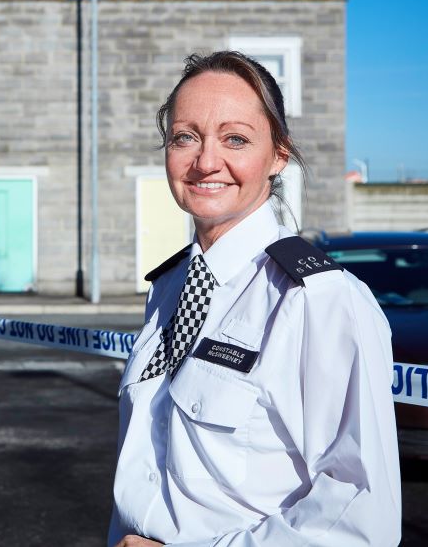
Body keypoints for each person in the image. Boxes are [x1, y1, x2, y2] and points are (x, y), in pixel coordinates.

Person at [108, 51, 401, 547]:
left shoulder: (320, 302)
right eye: (185, 137)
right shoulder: (169, 288)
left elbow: (358, 514)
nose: (205, 162)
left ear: (278, 155)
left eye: (236, 139)